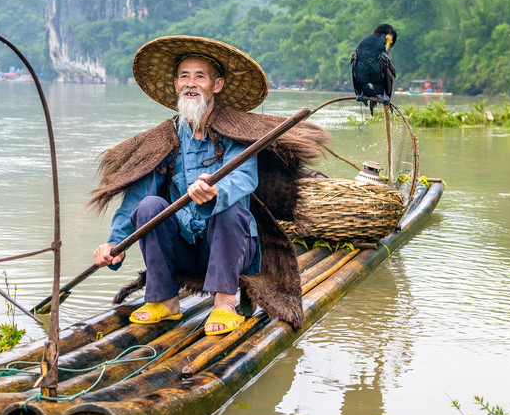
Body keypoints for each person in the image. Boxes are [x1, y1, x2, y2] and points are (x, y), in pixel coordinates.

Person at [90, 36, 331, 335]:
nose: (191, 84)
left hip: (232, 250)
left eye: (200, 76)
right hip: (187, 251)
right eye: (184, 76)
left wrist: (216, 192)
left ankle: (225, 304)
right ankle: (165, 300)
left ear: (216, 85)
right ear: (176, 85)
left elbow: (245, 178)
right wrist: (115, 243)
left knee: (229, 210)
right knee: (148, 206)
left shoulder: (235, 133)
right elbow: (138, 195)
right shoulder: (167, 138)